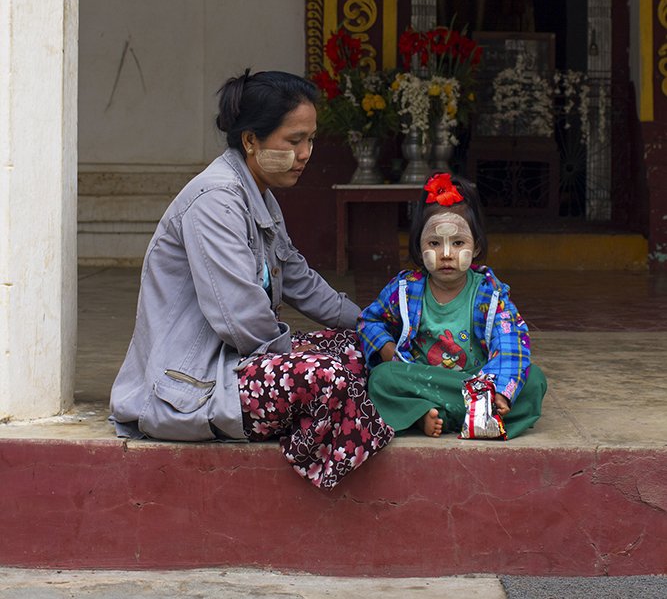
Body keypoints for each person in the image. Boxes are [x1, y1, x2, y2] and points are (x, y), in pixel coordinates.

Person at [110, 69, 393, 489]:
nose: (306, 153)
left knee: (355, 350)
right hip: (190, 388)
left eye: (310, 140)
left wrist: (374, 325)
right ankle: (321, 453)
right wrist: (298, 360)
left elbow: (299, 279)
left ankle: (339, 421)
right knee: (328, 375)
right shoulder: (215, 202)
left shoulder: (258, 194)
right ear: (250, 141)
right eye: (293, 141)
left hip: (241, 361)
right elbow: (241, 319)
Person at [357, 172, 546, 439]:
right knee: (381, 379)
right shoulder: (405, 288)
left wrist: (501, 390)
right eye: (434, 243)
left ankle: (438, 414)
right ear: (418, 247)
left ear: (477, 247)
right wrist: (389, 352)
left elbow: (510, 340)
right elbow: (369, 321)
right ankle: (477, 417)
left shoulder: (490, 293)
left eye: (458, 243)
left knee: (534, 381)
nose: (446, 254)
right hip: (422, 378)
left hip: (479, 381)